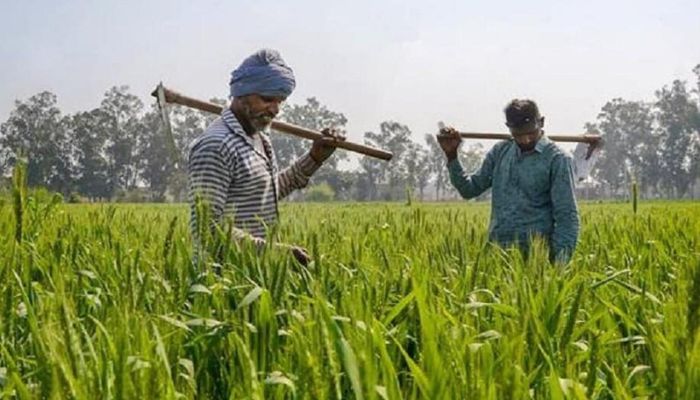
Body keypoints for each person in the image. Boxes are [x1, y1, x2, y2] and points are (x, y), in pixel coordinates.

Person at [188, 49, 344, 266]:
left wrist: (314, 158)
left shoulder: (258, 138)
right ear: (241, 93)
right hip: (221, 280)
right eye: (267, 99)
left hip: (256, 272)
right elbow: (207, 228)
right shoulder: (216, 146)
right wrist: (273, 252)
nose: (275, 109)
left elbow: (266, 192)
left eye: (280, 101)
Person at [437, 99, 579, 263]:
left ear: (541, 122)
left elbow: (567, 217)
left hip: (535, 258)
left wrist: (559, 266)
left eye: (530, 133)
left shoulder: (557, 159)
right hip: (496, 254)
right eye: (518, 135)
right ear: (509, 128)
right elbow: (470, 189)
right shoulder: (500, 152)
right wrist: (452, 155)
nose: (525, 140)